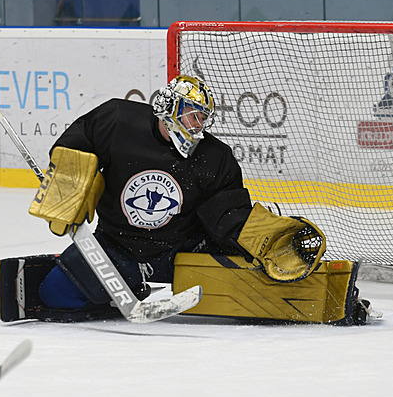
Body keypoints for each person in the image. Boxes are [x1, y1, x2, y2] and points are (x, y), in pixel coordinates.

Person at [23, 75, 325, 318]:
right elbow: (78, 143)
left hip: (182, 252)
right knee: (55, 295)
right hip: (117, 245)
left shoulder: (214, 158)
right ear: (167, 108)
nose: (195, 124)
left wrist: (266, 237)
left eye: (201, 118)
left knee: (253, 290)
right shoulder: (117, 121)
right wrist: (69, 185)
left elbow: (227, 215)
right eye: (189, 114)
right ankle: (124, 287)